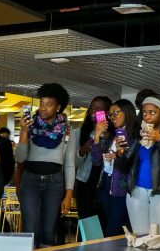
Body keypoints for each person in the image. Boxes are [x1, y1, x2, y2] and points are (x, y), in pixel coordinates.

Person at [14, 83, 76, 248]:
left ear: (58, 107)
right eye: (41, 103)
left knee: (49, 232)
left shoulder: (67, 131)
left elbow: (70, 164)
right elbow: (20, 158)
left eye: (49, 104)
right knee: (29, 229)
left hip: (55, 182)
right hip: (30, 180)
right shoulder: (30, 125)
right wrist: (24, 133)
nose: (43, 108)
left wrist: (69, 194)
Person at [117, 95, 160, 235]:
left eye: (152, 112)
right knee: (140, 237)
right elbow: (124, 167)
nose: (147, 116)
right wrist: (120, 153)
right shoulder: (136, 136)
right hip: (136, 193)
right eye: (144, 112)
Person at [99, 99, 139, 236]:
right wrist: (98, 136)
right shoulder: (112, 136)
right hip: (106, 186)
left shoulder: (135, 138)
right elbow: (96, 160)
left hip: (122, 190)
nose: (112, 117)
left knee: (114, 232)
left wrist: (118, 157)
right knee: (109, 230)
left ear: (127, 112)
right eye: (110, 115)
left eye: (116, 113)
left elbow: (132, 165)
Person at [72, 96, 112, 225]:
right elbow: (74, 163)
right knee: (87, 221)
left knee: (104, 220)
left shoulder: (113, 134)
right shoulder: (80, 132)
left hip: (105, 182)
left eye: (99, 108)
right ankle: (88, 245)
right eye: (92, 108)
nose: (94, 111)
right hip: (85, 181)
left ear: (107, 112)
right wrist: (82, 150)